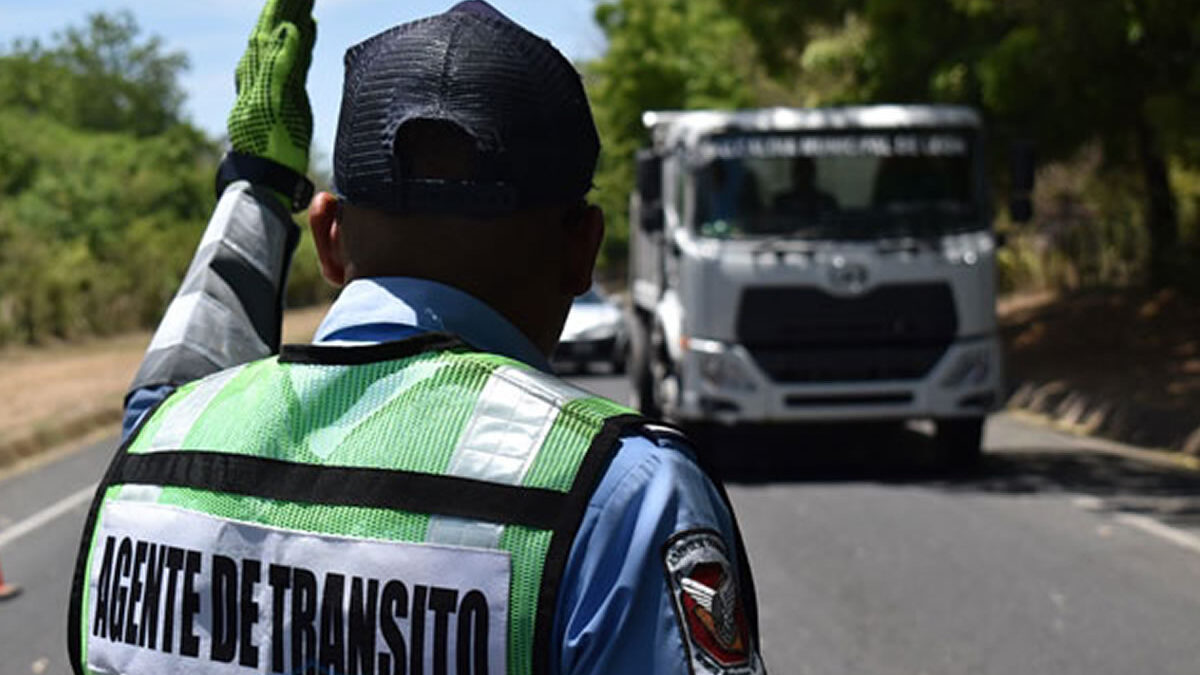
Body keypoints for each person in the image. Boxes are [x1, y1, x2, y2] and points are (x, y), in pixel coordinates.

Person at [68, 2, 766, 675]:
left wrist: (252, 187)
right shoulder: (624, 495)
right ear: (583, 251)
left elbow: (165, 391)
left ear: (328, 240)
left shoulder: (155, 455)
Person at [772, 156, 837, 219]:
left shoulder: (827, 203)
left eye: (806, 170)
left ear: (812, 173)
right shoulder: (782, 203)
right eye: (800, 171)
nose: (803, 175)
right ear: (794, 173)